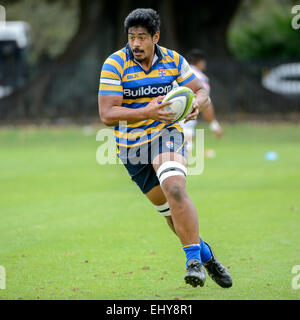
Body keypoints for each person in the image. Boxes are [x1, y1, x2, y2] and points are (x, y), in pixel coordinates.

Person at [98, 8, 232, 288]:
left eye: (142, 37)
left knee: (174, 187)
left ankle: (192, 262)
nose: (135, 43)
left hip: (166, 134)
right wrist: (147, 111)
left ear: (155, 37)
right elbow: (107, 114)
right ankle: (206, 255)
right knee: (170, 213)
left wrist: (197, 103)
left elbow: (201, 90)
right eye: (132, 37)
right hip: (131, 148)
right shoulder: (114, 64)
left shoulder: (173, 60)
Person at [179, 49, 222, 155]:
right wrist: (214, 125)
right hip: (185, 119)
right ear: (200, 62)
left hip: (168, 116)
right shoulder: (200, 78)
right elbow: (205, 102)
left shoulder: (179, 73)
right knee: (184, 154)